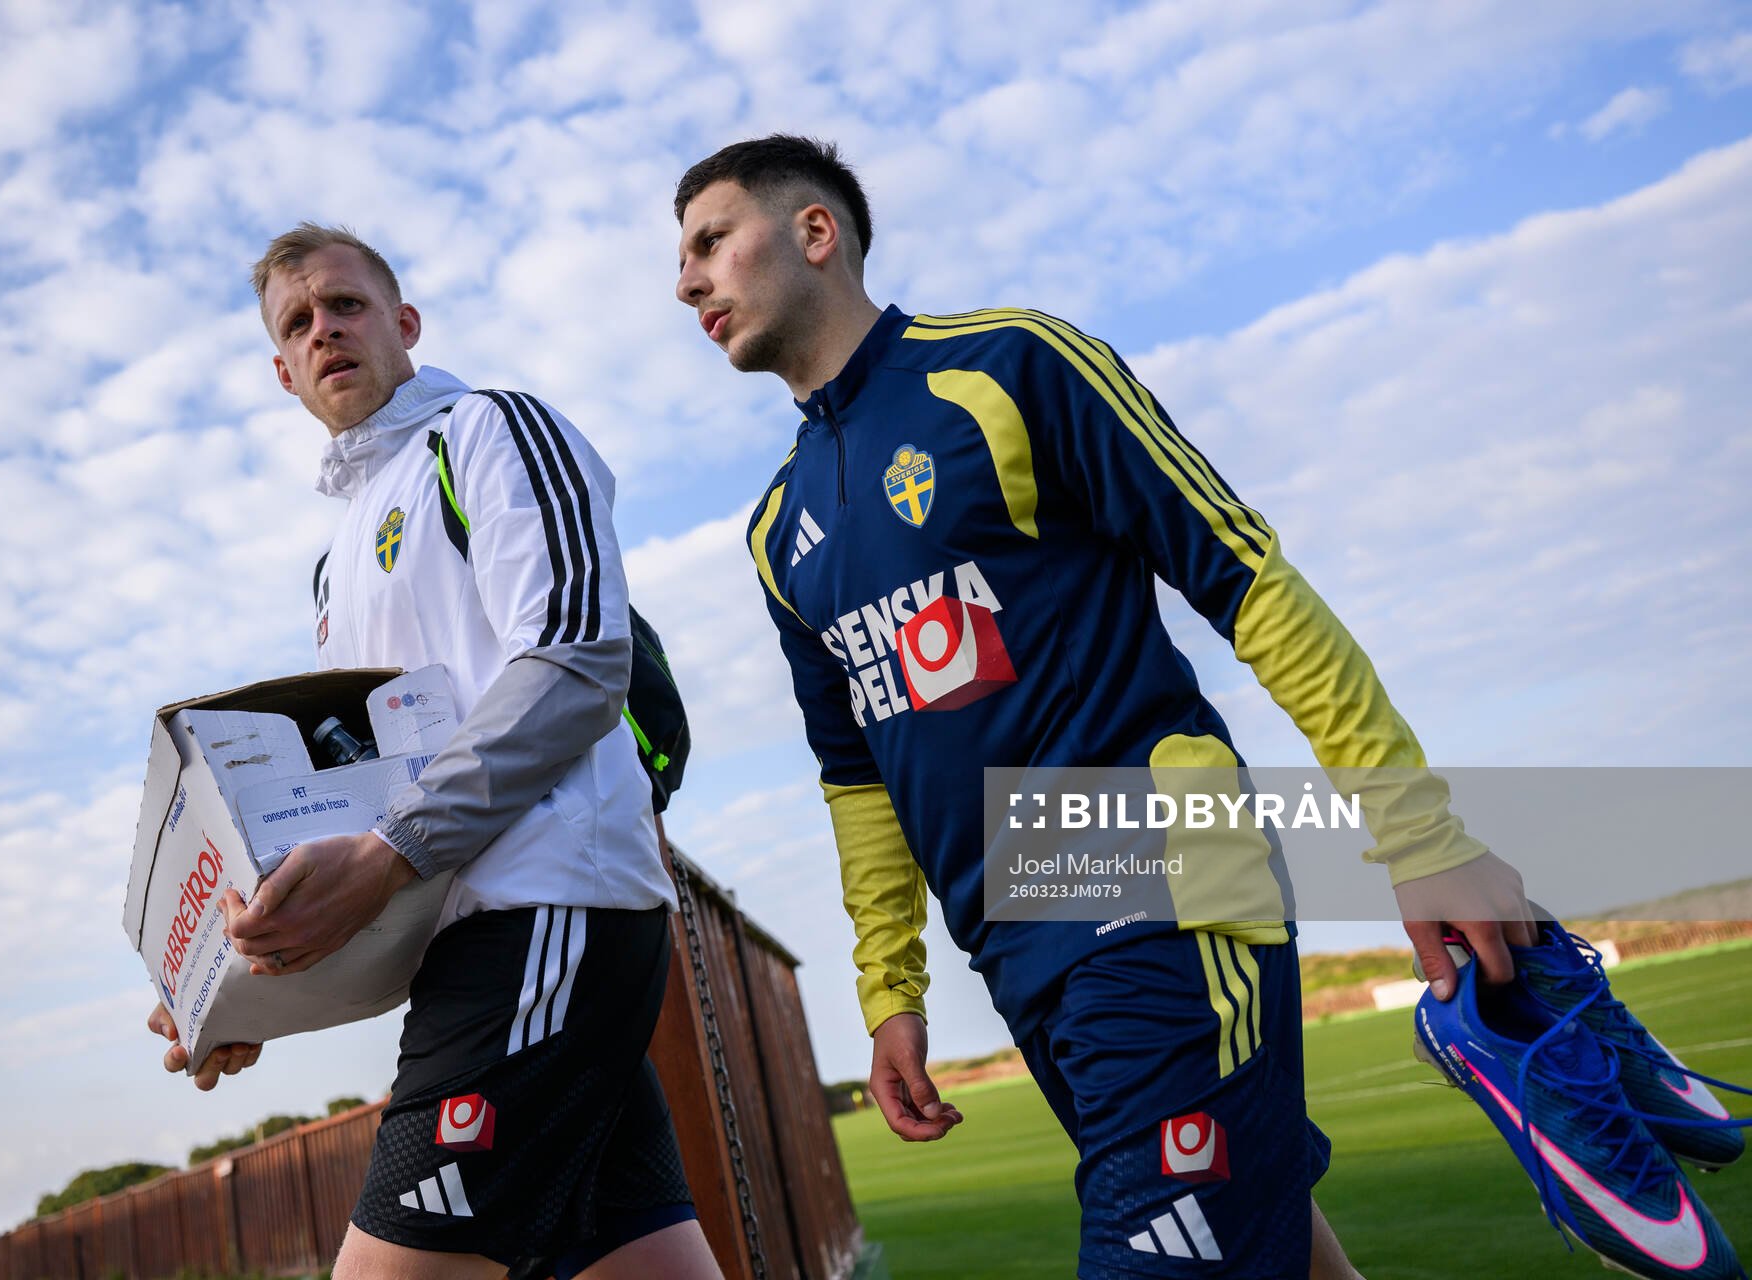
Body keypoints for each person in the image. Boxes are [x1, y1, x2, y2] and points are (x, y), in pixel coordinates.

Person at [673, 135, 1538, 1279]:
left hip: (1157, 886)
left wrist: (1417, 833)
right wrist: (892, 991)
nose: (686, 281)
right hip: (1018, 947)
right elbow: (859, 780)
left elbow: (1246, 578)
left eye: (710, 240)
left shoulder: (1011, 365)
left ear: (815, 232)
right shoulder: (779, 530)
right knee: (1279, 1250)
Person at [145, 224, 722, 1280]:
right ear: (283, 372)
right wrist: (251, 989)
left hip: (548, 910)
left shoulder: (488, 428)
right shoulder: (334, 567)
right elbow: (369, 812)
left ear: (404, 323)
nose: (324, 330)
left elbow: (578, 655)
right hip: (471, 945)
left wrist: (391, 851)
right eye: (297, 323)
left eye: (346, 305)